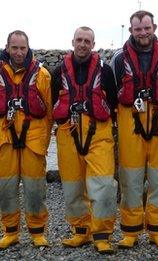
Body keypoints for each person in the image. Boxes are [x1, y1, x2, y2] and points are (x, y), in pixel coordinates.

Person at [111, 10, 158, 248]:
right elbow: (115, 89)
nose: (143, 33)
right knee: (130, 179)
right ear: (131, 31)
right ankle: (130, 231)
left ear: (154, 27)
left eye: (147, 28)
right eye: (138, 29)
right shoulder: (119, 59)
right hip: (131, 122)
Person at [51, 26, 118, 254]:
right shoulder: (58, 72)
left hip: (98, 134)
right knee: (72, 187)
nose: (82, 44)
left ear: (93, 45)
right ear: (72, 42)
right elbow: (53, 105)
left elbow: (114, 105)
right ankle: (80, 232)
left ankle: (102, 235)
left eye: (87, 41)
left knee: (103, 186)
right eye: (79, 40)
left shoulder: (106, 72)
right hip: (68, 135)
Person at [0, 30, 52, 250]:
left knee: (35, 189)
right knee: (4, 189)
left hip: (33, 140)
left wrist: (43, 139)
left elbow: (49, 113)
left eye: (23, 48)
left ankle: (37, 233)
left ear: (28, 47)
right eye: (15, 48)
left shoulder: (43, 76)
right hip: (5, 140)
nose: (19, 52)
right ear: (7, 47)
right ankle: (10, 233)